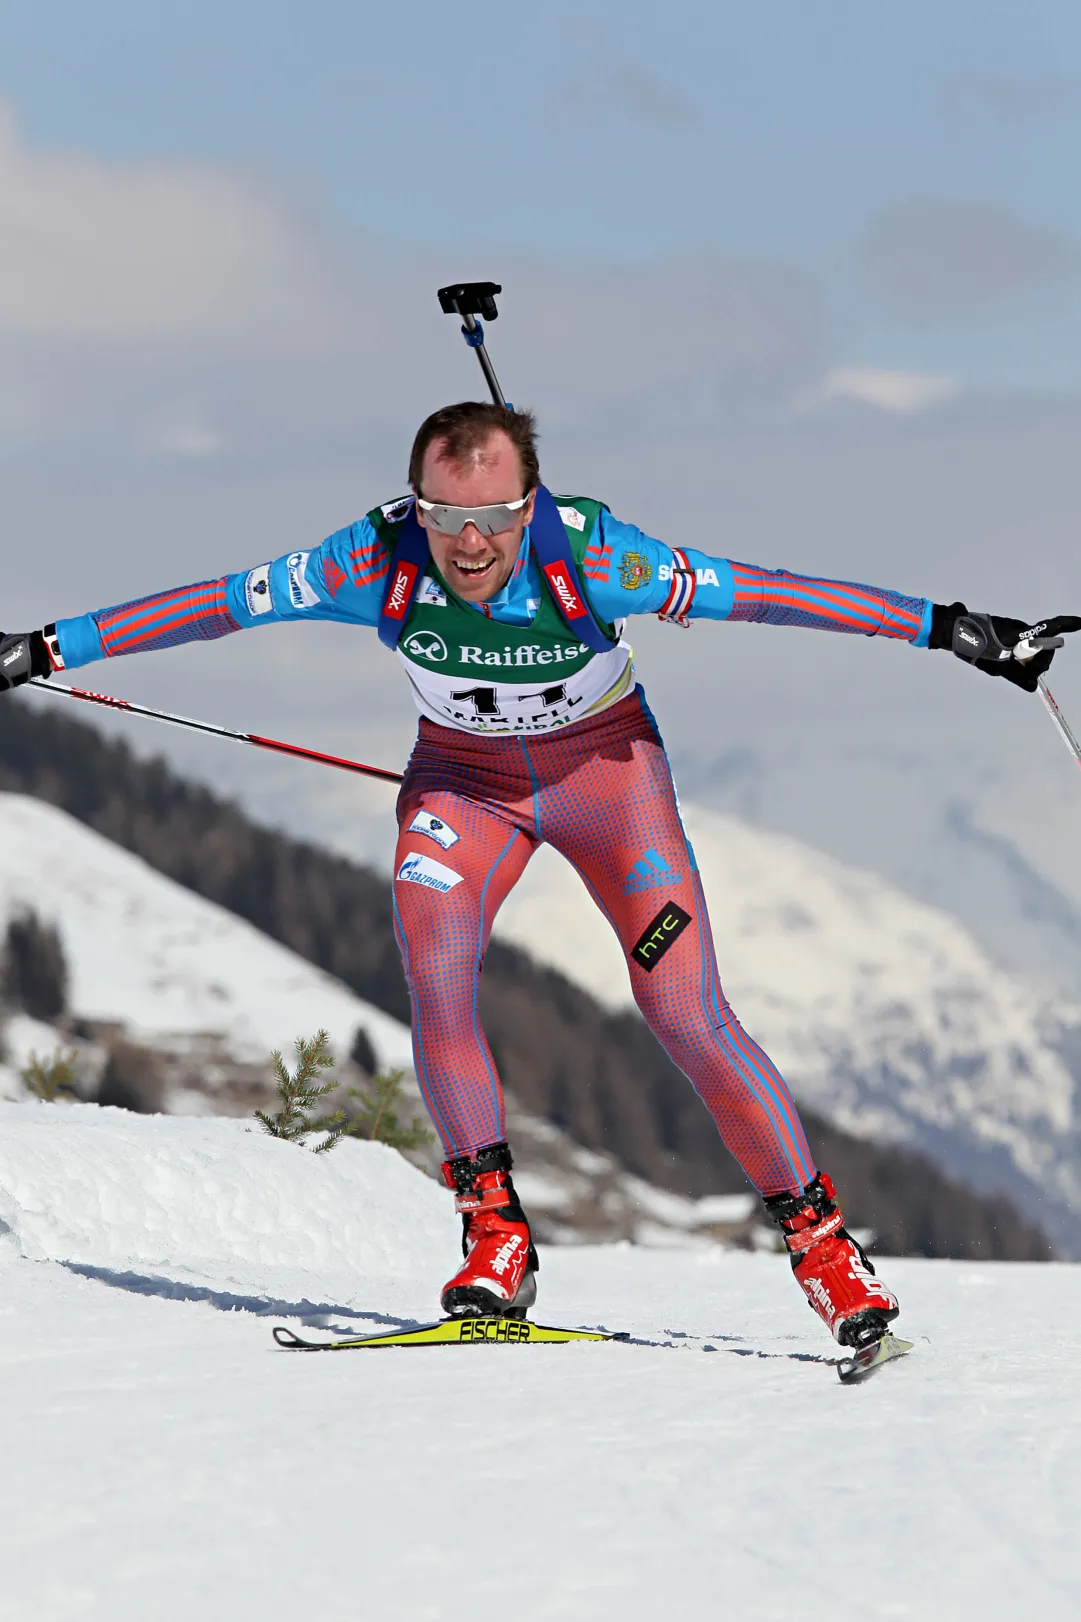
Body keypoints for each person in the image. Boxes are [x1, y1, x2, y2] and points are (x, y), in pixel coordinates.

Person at [2, 401, 1075, 1349]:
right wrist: (44, 649)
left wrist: (957, 632)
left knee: (683, 1009)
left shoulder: (601, 560)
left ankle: (822, 1248)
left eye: (495, 521)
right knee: (434, 973)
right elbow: (217, 603)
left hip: (610, 786)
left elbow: (774, 594)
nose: (468, 544)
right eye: (443, 515)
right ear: (411, 504)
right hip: (463, 791)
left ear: (530, 508)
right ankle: (494, 1234)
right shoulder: (364, 562)